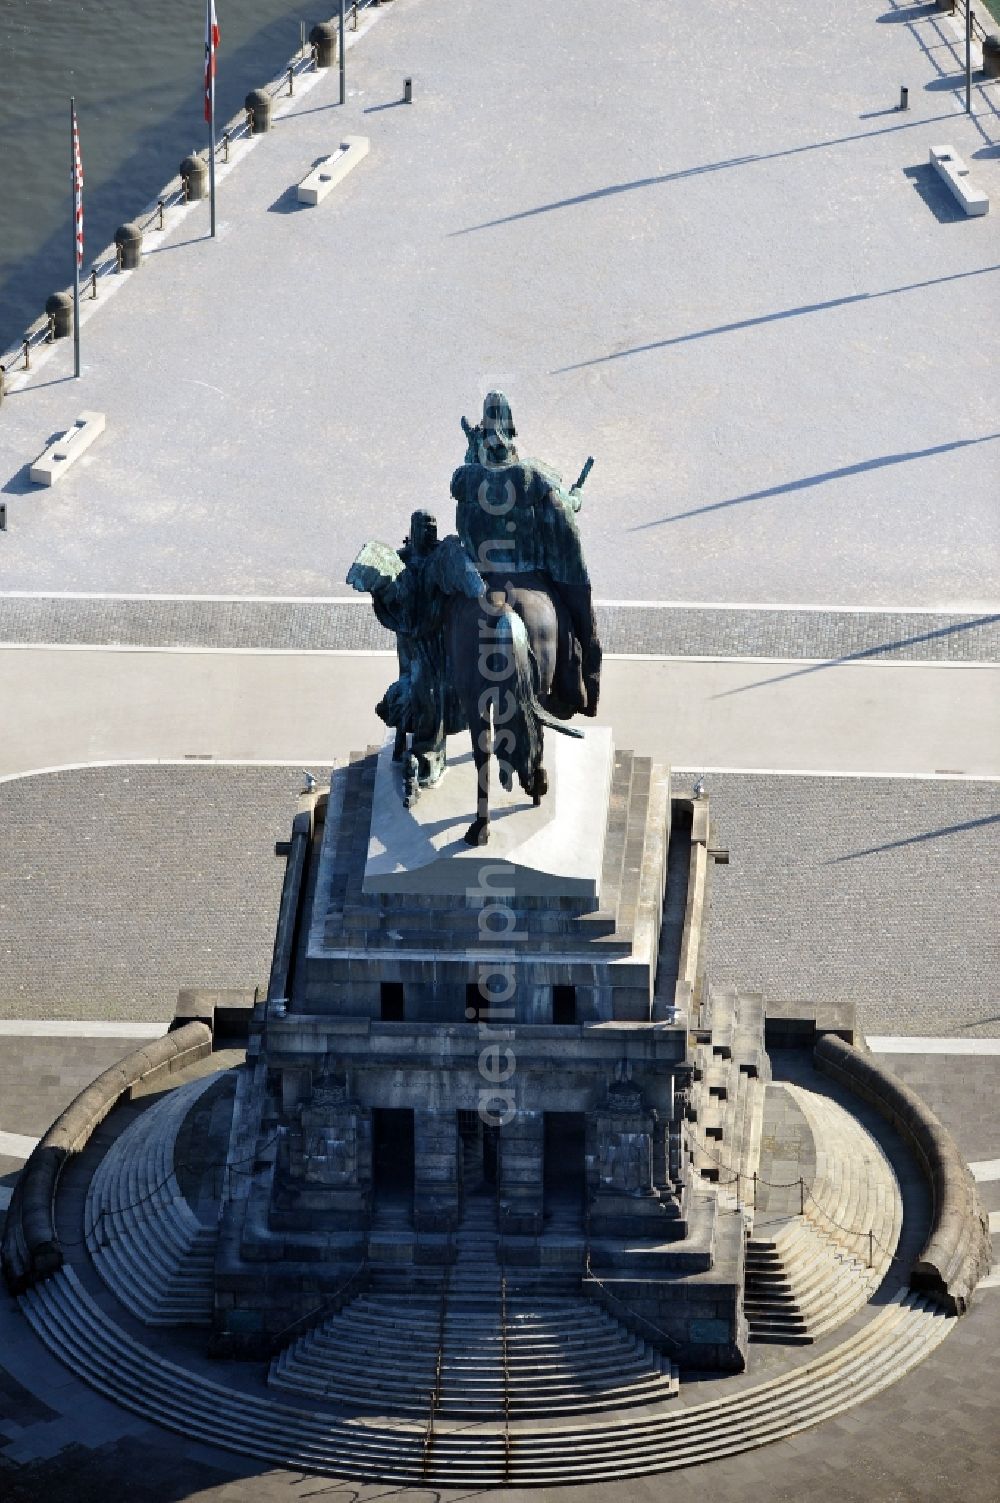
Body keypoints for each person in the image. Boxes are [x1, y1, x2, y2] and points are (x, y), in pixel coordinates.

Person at [450, 392, 602, 717]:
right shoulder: (535, 477)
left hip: (482, 576)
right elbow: (561, 515)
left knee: (437, 621)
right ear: (511, 430)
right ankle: (578, 683)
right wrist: (573, 502)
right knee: (577, 623)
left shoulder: (466, 481)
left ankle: (434, 691)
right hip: (530, 577)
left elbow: (464, 532)